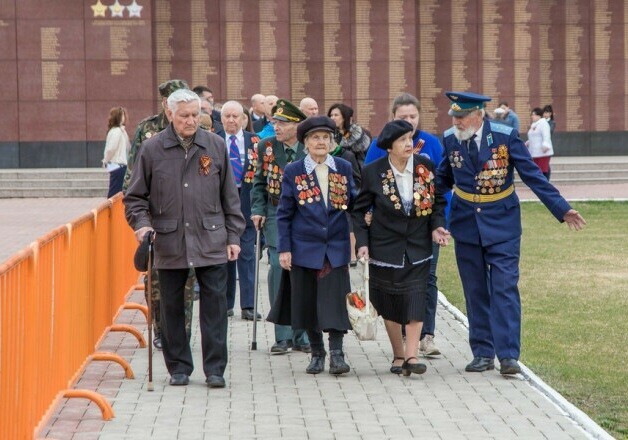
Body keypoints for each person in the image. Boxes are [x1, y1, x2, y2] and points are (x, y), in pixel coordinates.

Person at [435, 91, 586, 376]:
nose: (457, 122)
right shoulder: (451, 139)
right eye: (454, 116)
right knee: (476, 289)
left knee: (503, 288)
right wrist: (427, 210)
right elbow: (444, 178)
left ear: (479, 115)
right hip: (467, 225)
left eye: (462, 116)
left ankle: (507, 355)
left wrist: (561, 208)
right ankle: (482, 352)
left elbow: (531, 174)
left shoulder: (505, 135)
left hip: (502, 224)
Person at [124, 88, 245, 388]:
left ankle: (215, 369)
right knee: (171, 308)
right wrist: (142, 224)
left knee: (215, 308)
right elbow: (135, 198)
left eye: (196, 115)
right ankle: (178, 367)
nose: (191, 121)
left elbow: (230, 198)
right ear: (170, 114)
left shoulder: (215, 146)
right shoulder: (152, 150)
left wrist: (234, 237)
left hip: (212, 239)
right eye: (184, 116)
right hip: (169, 240)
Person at [353, 120, 449, 376]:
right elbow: (360, 210)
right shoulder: (374, 171)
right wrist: (362, 243)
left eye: (410, 138)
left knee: (417, 296)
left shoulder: (425, 167)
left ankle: (412, 355)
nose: (409, 144)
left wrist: (437, 226)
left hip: (419, 245)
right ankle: (398, 354)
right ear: (389, 147)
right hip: (385, 247)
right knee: (389, 302)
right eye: (403, 141)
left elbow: (438, 201)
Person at [269, 116, 356, 375]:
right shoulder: (295, 171)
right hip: (305, 248)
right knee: (308, 303)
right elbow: (284, 214)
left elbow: (353, 203)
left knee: (336, 303)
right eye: (315, 138)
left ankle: (337, 355)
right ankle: (317, 353)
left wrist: (361, 235)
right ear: (305, 142)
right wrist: (284, 249)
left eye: (326, 138)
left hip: (336, 248)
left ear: (332, 142)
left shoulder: (343, 167)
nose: (321, 142)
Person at [123, 79, 196, 349]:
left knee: (186, 281)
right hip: (156, 219)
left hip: (187, 219)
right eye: (169, 99)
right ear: (165, 104)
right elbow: (132, 178)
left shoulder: (196, 129)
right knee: (155, 281)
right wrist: (141, 220)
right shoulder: (148, 129)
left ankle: (182, 334)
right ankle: (160, 328)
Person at [250, 99, 310, 354]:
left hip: (306, 215)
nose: (277, 127)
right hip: (275, 213)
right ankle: (282, 334)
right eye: (275, 122)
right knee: (278, 267)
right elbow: (259, 183)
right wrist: (257, 210)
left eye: (283, 123)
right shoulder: (266, 147)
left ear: (297, 126)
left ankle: (303, 334)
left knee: (304, 269)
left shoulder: (309, 147)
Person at [216, 101, 262, 321]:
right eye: (227, 116)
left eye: (236, 116)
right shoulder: (212, 140)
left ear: (243, 119)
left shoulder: (255, 142)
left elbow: (261, 177)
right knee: (225, 255)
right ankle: (224, 304)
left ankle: (248, 305)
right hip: (220, 207)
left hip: (247, 205)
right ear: (221, 118)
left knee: (247, 255)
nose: (231, 120)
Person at [327, 103, 371, 168]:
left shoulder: (359, 133)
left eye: (336, 115)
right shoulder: (331, 134)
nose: (332, 118)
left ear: (344, 117)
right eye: (331, 115)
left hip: (357, 170)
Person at [102, 106, 130, 198]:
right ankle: (112, 211)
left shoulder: (121, 131)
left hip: (120, 165)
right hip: (117, 165)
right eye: (122, 115)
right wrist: (105, 160)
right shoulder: (117, 131)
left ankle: (115, 211)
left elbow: (128, 147)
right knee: (115, 193)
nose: (124, 117)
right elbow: (111, 148)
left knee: (117, 192)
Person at [526, 107, 553, 180]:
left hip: (543, 151)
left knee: (543, 169)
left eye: (534, 114)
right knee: (537, 169)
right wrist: (528, 142)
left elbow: (546, 135)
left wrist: (545, 145)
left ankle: (545, 184)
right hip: (535, 152)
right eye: (532, 114)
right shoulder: (534, 125)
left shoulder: (543, 123)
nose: (532, 116)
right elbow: (533, 136)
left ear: (539, 116)